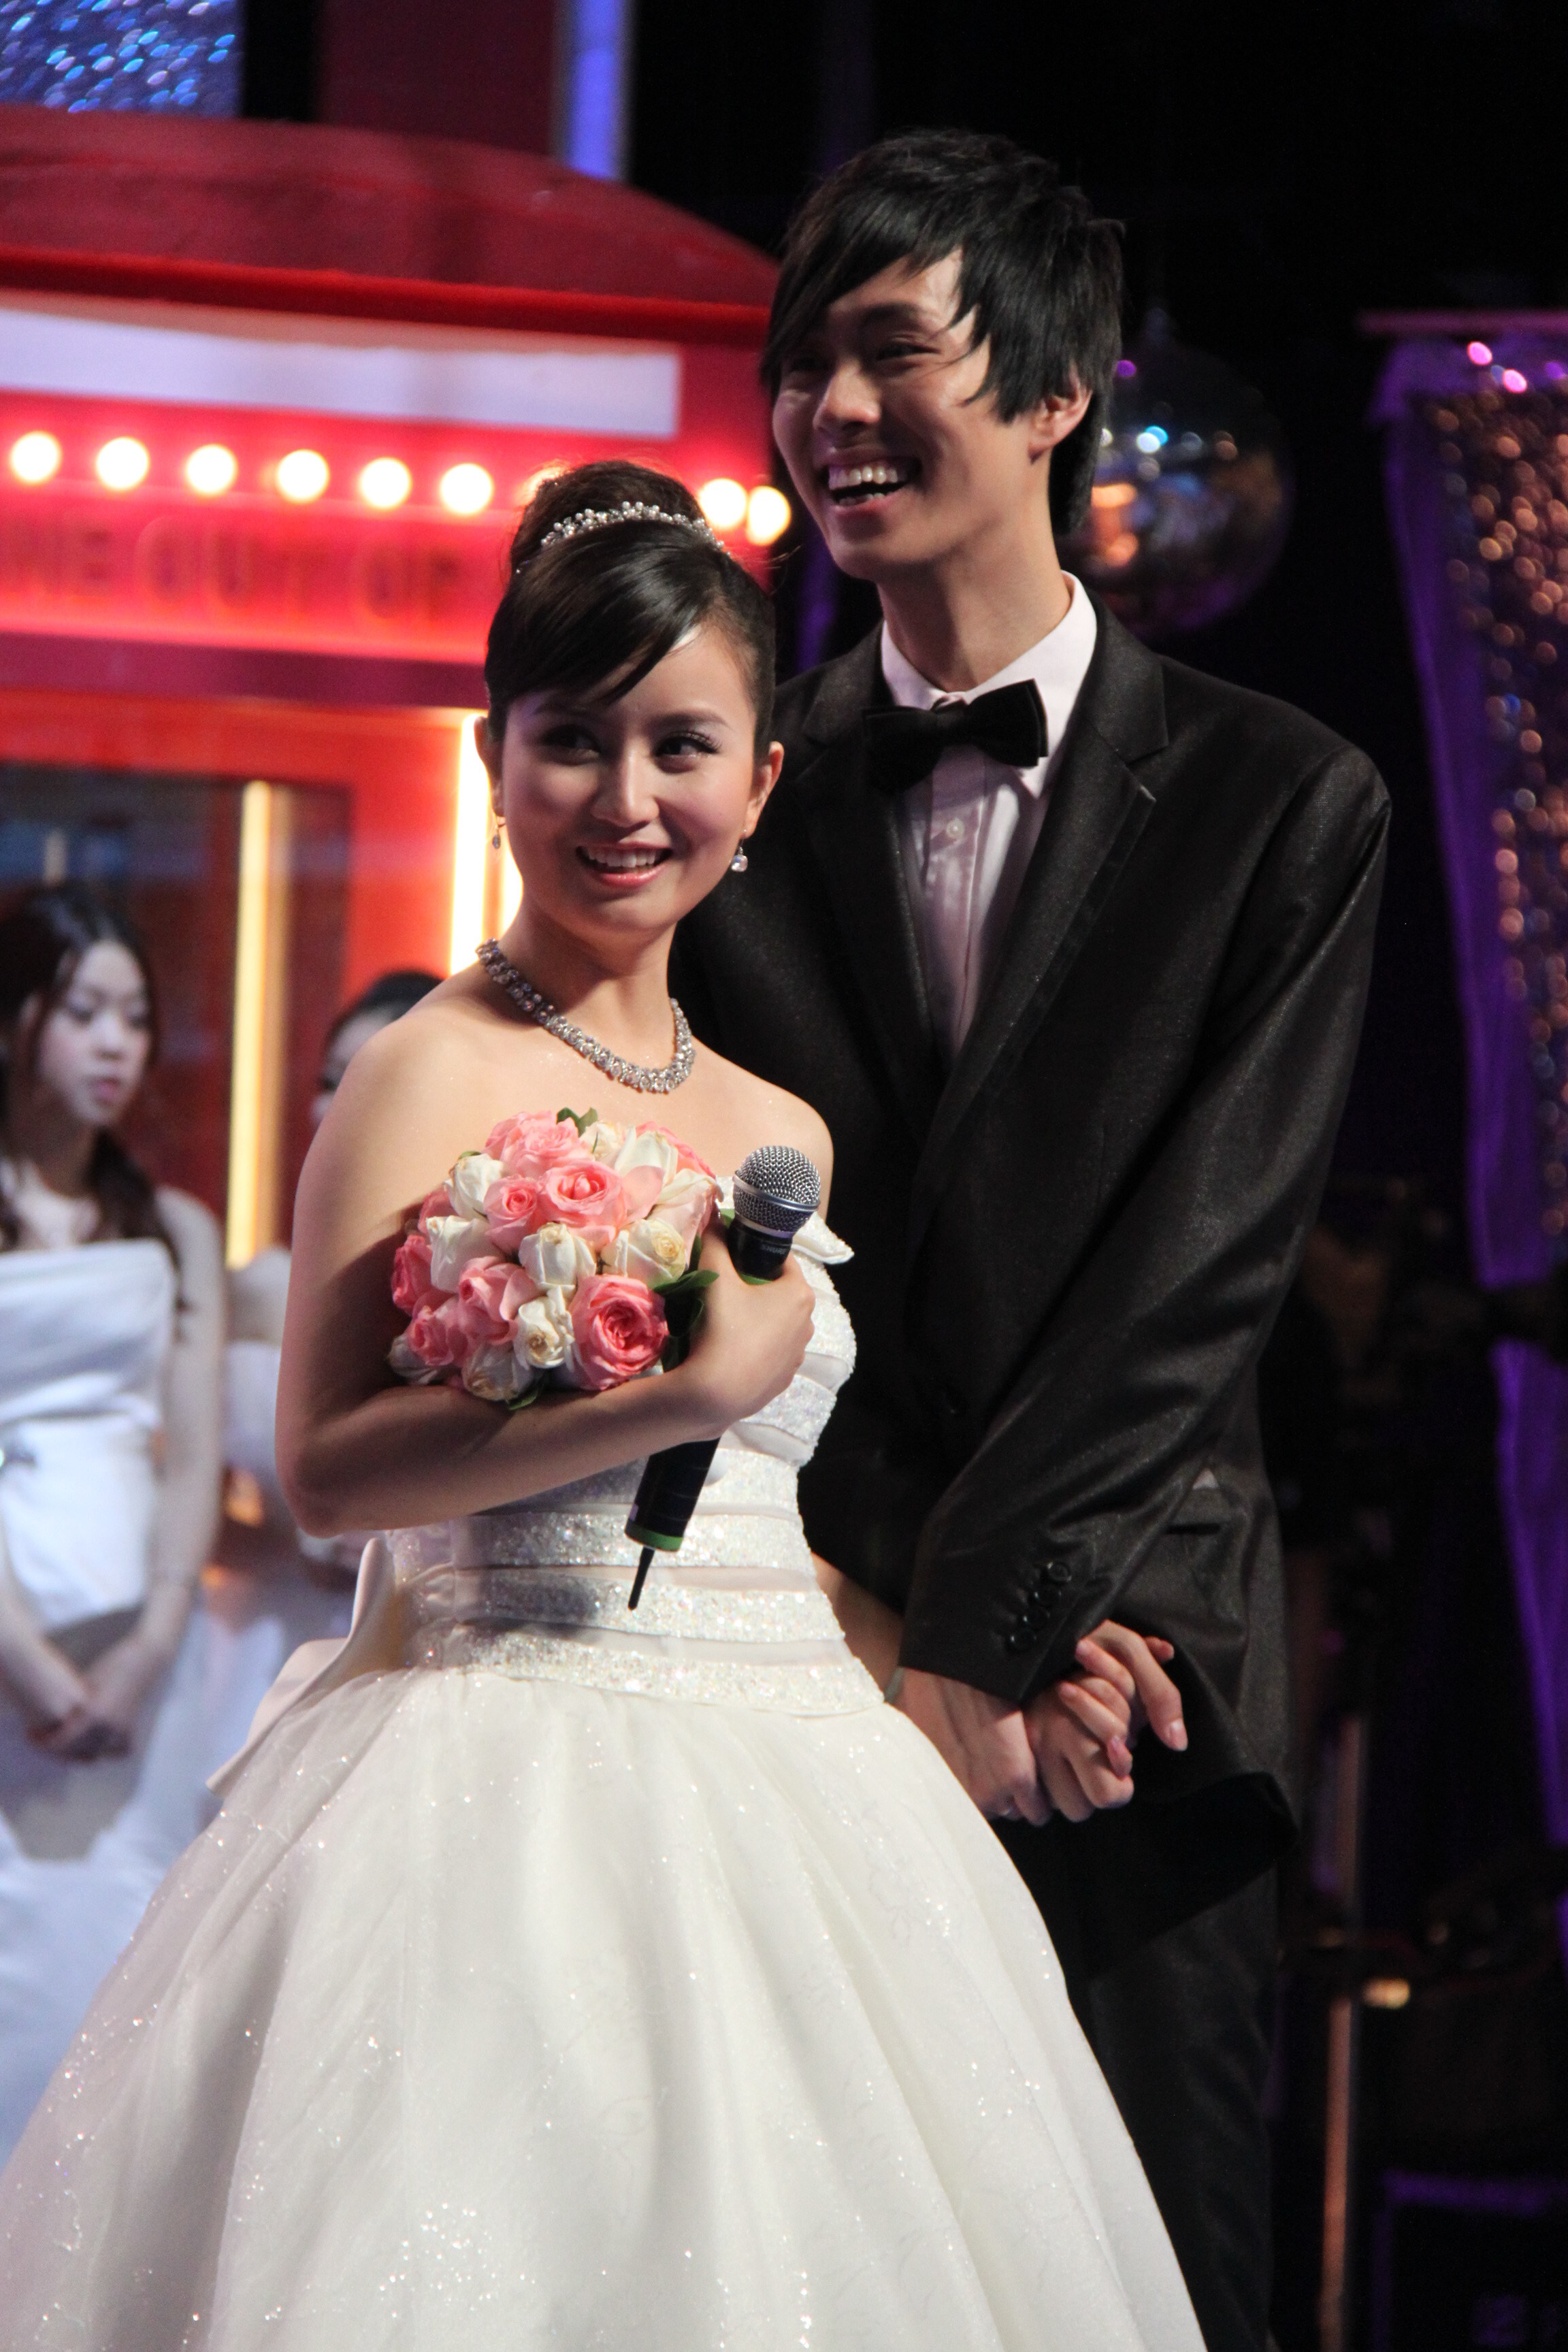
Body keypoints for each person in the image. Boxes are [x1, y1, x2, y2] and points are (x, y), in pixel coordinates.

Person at [0, 461, 1203, 2352]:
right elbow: (326, 1471)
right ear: (495, 760)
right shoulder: (423, 1069)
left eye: (680, 745)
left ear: (763, 779)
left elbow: (765, 1538)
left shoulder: (781, 1126)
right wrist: (674, 1387)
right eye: (571, 740)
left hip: (801, 1789)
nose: (626, 799)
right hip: (490, 1764)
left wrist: (971, 1675)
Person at [672, 131, 1390, 2352]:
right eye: (802, 363)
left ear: (1062, 388)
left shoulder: (1287, 801)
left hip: (1128, 1685)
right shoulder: (730, 803)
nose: (831, 411)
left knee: (1147, 2285)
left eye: (892, 350)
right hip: (810, 1668)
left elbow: (1193, 1285)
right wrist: (894, 1647)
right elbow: (735, 1281)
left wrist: (998, 1651)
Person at [0, 884, 224, 2159]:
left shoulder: (177, 1226)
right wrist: (23, 1655)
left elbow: (192, 1451)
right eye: (84, 1010)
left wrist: (154, 1639)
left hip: (145, 1628)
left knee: (126, 1944)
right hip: (13, 1621)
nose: (115, 1044)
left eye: (135, 1018)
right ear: (14, 1016)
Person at [206, 968, 444, 1762]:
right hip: (263, 1643)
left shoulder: (490, 1302)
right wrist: (303, 1545)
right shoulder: (257, 1286)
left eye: (365, 1080)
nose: (333, 1106)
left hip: (425, 1650)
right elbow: (183, 1497)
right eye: (328, 1081)